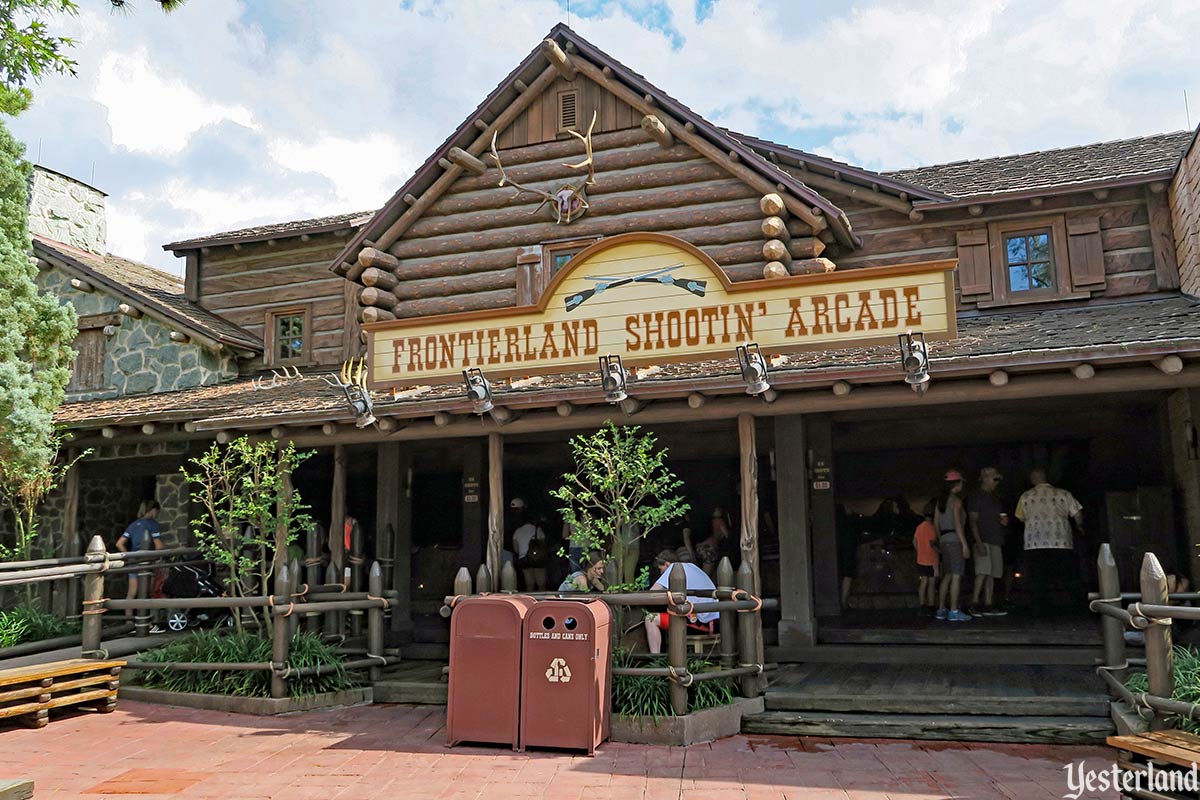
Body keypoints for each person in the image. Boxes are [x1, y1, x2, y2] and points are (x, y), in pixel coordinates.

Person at [1016, 467, 1084, 617]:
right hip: (1061, 542)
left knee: (1037, 579)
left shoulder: (1025, 496)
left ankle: (1039, 610)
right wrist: (1079, 526)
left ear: (1032, 480)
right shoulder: (1064, 494)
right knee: (1067, 577)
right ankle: (1076, 608)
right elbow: (1077, 514)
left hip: (1034, 543)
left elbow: (1020, 517)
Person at [642, 550, 720, 654]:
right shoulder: (692, 567)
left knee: (650, 619)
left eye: (661, 569)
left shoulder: (674, 568)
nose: (661, 573)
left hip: (701, 623)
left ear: (667, 564)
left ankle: (656, 658)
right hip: (715, 620)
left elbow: (651, 594)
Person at [968, 467, 1009, 616]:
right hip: (983, 539)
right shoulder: (976, 496)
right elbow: (973, 521)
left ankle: (988, 604)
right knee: (982, 572)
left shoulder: (995, 497)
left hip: (995, 539)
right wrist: (978, 542)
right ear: (985, 478)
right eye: (995, 479)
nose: (996, 482)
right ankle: (974, 603)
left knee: (992, 573)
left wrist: (1003, 521)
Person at [115, 501, 164, 620]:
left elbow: (119, 544)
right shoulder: (153, 524)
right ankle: (147, 621)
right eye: (157, 512)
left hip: (133, 560)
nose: (157, 514)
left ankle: (128, 620)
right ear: (153, 510)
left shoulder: (133, 524)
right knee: (147, 591)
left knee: (132, 592)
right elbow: (159, 546)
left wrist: (129, 555)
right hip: (147, 561)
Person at [935, 470, 972, 622]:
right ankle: (954, 610)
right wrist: (964, 544)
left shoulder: (940, 501)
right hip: (955, 540)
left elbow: (936, 523)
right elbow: (958, 524)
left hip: (943, 540)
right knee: (956, 576)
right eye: (961, 482)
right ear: (956, 484)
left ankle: (941, 609)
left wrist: (940, 539)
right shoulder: (956, 501)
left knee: (947, 576)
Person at [510, 497, 548, 591]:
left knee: (529, 584)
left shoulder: (517, 531)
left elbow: (516, 548)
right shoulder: (537, 530)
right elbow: (543, 543)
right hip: (538, 558)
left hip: (524, 559)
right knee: (541, 584)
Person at [684, 507, 731, 578]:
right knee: (706, 576)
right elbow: (726, 534)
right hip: (709, 548)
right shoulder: (719, 521)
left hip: (699, 547)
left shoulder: (705, 522)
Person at [913, 501, 939, 616]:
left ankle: (922, 604)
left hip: (921, 559)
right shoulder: (932, 528)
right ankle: (931, 605)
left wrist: (919, 550)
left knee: (923, 582)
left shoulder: (919, 527)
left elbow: (914, 541)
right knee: (932, 584)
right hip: (932, 559)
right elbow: (933, 544)